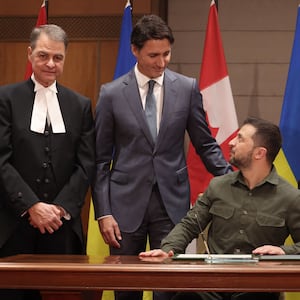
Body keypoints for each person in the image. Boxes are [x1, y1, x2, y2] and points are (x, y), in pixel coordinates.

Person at [92, 14, 231, 300]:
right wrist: (104, 212)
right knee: (126, 289)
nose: (161, 62)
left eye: (166, 53)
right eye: (153, 55)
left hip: (171, 204)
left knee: (169, 288)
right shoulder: (112, 94)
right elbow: (100, 160)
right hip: (123, 207)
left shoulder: (187, 88)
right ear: (135, 50)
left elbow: (205, 144)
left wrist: (233, 180)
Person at [139, 117, 300, 300]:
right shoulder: (218, 186)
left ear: (259, 153)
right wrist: (168, 249)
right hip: (212, 284)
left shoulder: (290, 197)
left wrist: (284, 251)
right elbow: (189, 224)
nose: (231, 142)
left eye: (240, 139)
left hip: (257, 286)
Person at [0, 24, 95, 300]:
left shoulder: (80, 105)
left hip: (61, 227)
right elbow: (1, 159)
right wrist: (31, 205)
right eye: (43, 55)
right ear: (29, 54)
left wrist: (59, 209)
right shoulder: (5, 99)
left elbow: (86, 163)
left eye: (58, 57)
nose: (50, 64)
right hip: (12, 227)